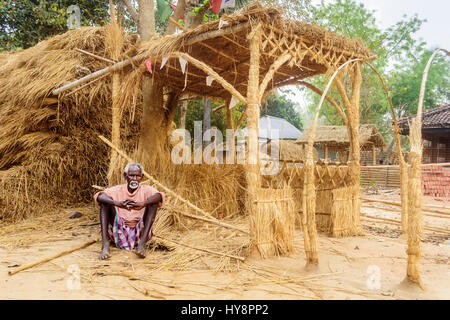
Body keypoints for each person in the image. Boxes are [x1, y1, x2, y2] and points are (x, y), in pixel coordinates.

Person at [94, 162, 164, 260]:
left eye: (137, 176)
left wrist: (143, 203)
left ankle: (142, 245)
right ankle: (105, 245)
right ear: (125, 176)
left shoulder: (146, 190)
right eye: (131, 175)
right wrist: (117, 203)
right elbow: (99, 196)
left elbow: (159, 196)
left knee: (153, 202)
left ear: (142, 177)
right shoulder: (117, 189)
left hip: (140, 231)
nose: (134, 179)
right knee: (105, 202)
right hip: (118, 231)